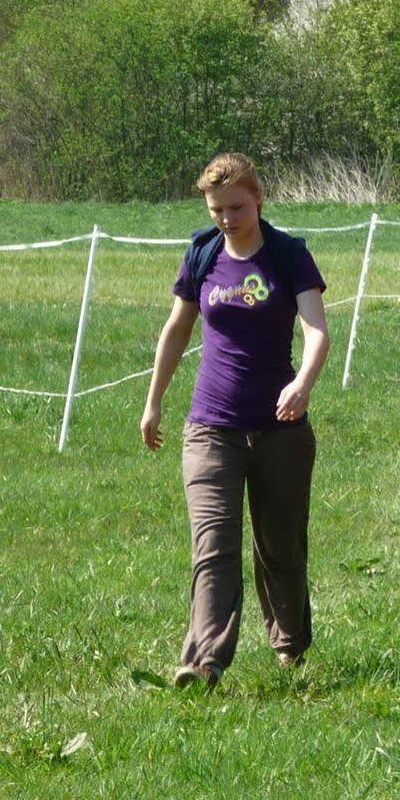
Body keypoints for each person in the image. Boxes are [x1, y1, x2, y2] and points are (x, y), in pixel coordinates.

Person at [141, 154, 331, 687]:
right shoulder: (203, 254)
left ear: (259, 199)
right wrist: (154, 401)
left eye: (237, 207)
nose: (227, 218)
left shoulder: (289, 255)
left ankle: (289, 648)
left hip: (281, 431)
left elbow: (317, 330)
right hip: (211, 428)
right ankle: (205, 662)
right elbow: (177, 331)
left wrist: (303, 384)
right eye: (217, 209)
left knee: (280, 547)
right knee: (213, 547)